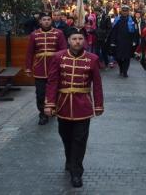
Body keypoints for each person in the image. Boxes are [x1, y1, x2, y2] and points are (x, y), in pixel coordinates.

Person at [44, 27, 104, 188]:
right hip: (63, 105)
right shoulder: (58, 57)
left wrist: (98, 105)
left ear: (84, 40)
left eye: (80, 38)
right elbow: (52, 82)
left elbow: (97, 85)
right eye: (74, 39)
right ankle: (69, 159)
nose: (77, 41)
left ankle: (76, 173)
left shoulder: (92, 59)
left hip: (83, 106)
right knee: (66, 137)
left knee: (79, 140)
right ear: (68, 41)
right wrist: (49, 103)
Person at [25, 12, 67, 125]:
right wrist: (28, 68)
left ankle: (53, 109)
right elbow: (29, 53)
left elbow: (63, 51)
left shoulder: (59, 33)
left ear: (51, 20)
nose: (47, 21)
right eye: (44, 19)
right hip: (39, 68)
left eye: (48, 19)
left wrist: (64, 65)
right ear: (40, 21)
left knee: (55, 91)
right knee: (40, 93)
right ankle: (42, 114)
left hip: (55, 68)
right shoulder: (34, 34)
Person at [110, 4, 138, 78]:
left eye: (126, 11)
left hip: (128, 42)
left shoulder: (132, 19)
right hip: (118, 42)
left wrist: (135, 40)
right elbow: (113, 32)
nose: (125, 12)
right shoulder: (117, 20)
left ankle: (125, 71)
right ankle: (121, 68)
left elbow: (135, 31)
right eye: (123, 11)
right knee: (118, 57)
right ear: (121, 11)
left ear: (128, 11)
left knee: (127, 57)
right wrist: (112, 41)